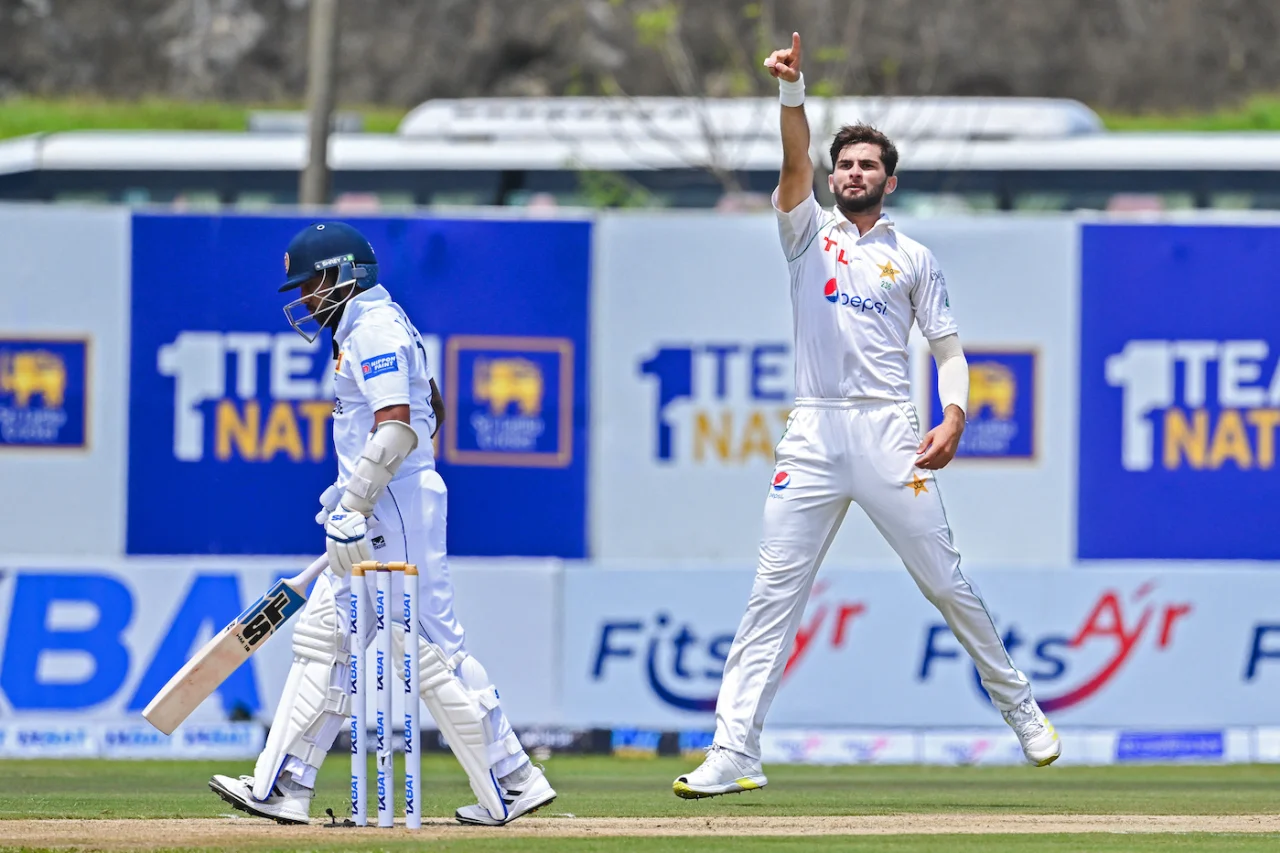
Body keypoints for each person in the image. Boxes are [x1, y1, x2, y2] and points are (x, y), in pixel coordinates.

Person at [673, 33, 1061, 799]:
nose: (853, 173)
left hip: (890, 431)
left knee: (944, 583)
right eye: (843, 164)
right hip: (815, 432)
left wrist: (954, 416)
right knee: (770, 596)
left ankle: (1020, 709)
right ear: (831, 174)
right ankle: (734, 750)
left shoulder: (913, 257)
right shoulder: (804, 232)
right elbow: (791, 164)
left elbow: (948, 350)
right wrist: (792, 92)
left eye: (866, 166)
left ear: (887, 180)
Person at [209, 221, 555, 825]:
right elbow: (433, 408)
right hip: (391, 499)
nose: (305, 298)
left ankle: (511, 778)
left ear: (345, 275)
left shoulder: (373, 328)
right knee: (331, 639)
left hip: (389, 506)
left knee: (424, 646)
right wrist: (353, 491)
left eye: (312, 283)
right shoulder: (375, 324)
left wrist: (358, 503)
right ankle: (287, 783)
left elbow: (397, 423)